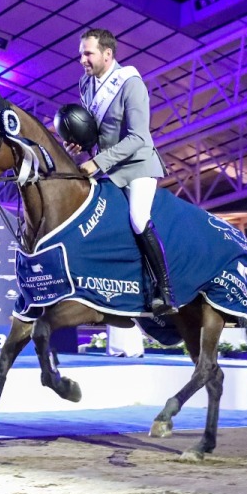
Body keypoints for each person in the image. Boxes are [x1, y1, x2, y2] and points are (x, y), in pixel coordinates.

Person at [64, 28, 175, 316]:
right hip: (109, 167)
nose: (82, 60)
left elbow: (138, 137)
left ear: (107, 54)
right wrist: (80, 142)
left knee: (138, 219)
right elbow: (96, 130)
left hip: (138, 166)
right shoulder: (85, 84)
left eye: (88, 54)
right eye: (81, 54)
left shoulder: (131, 84)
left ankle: (164, 290)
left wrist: (97, 163)